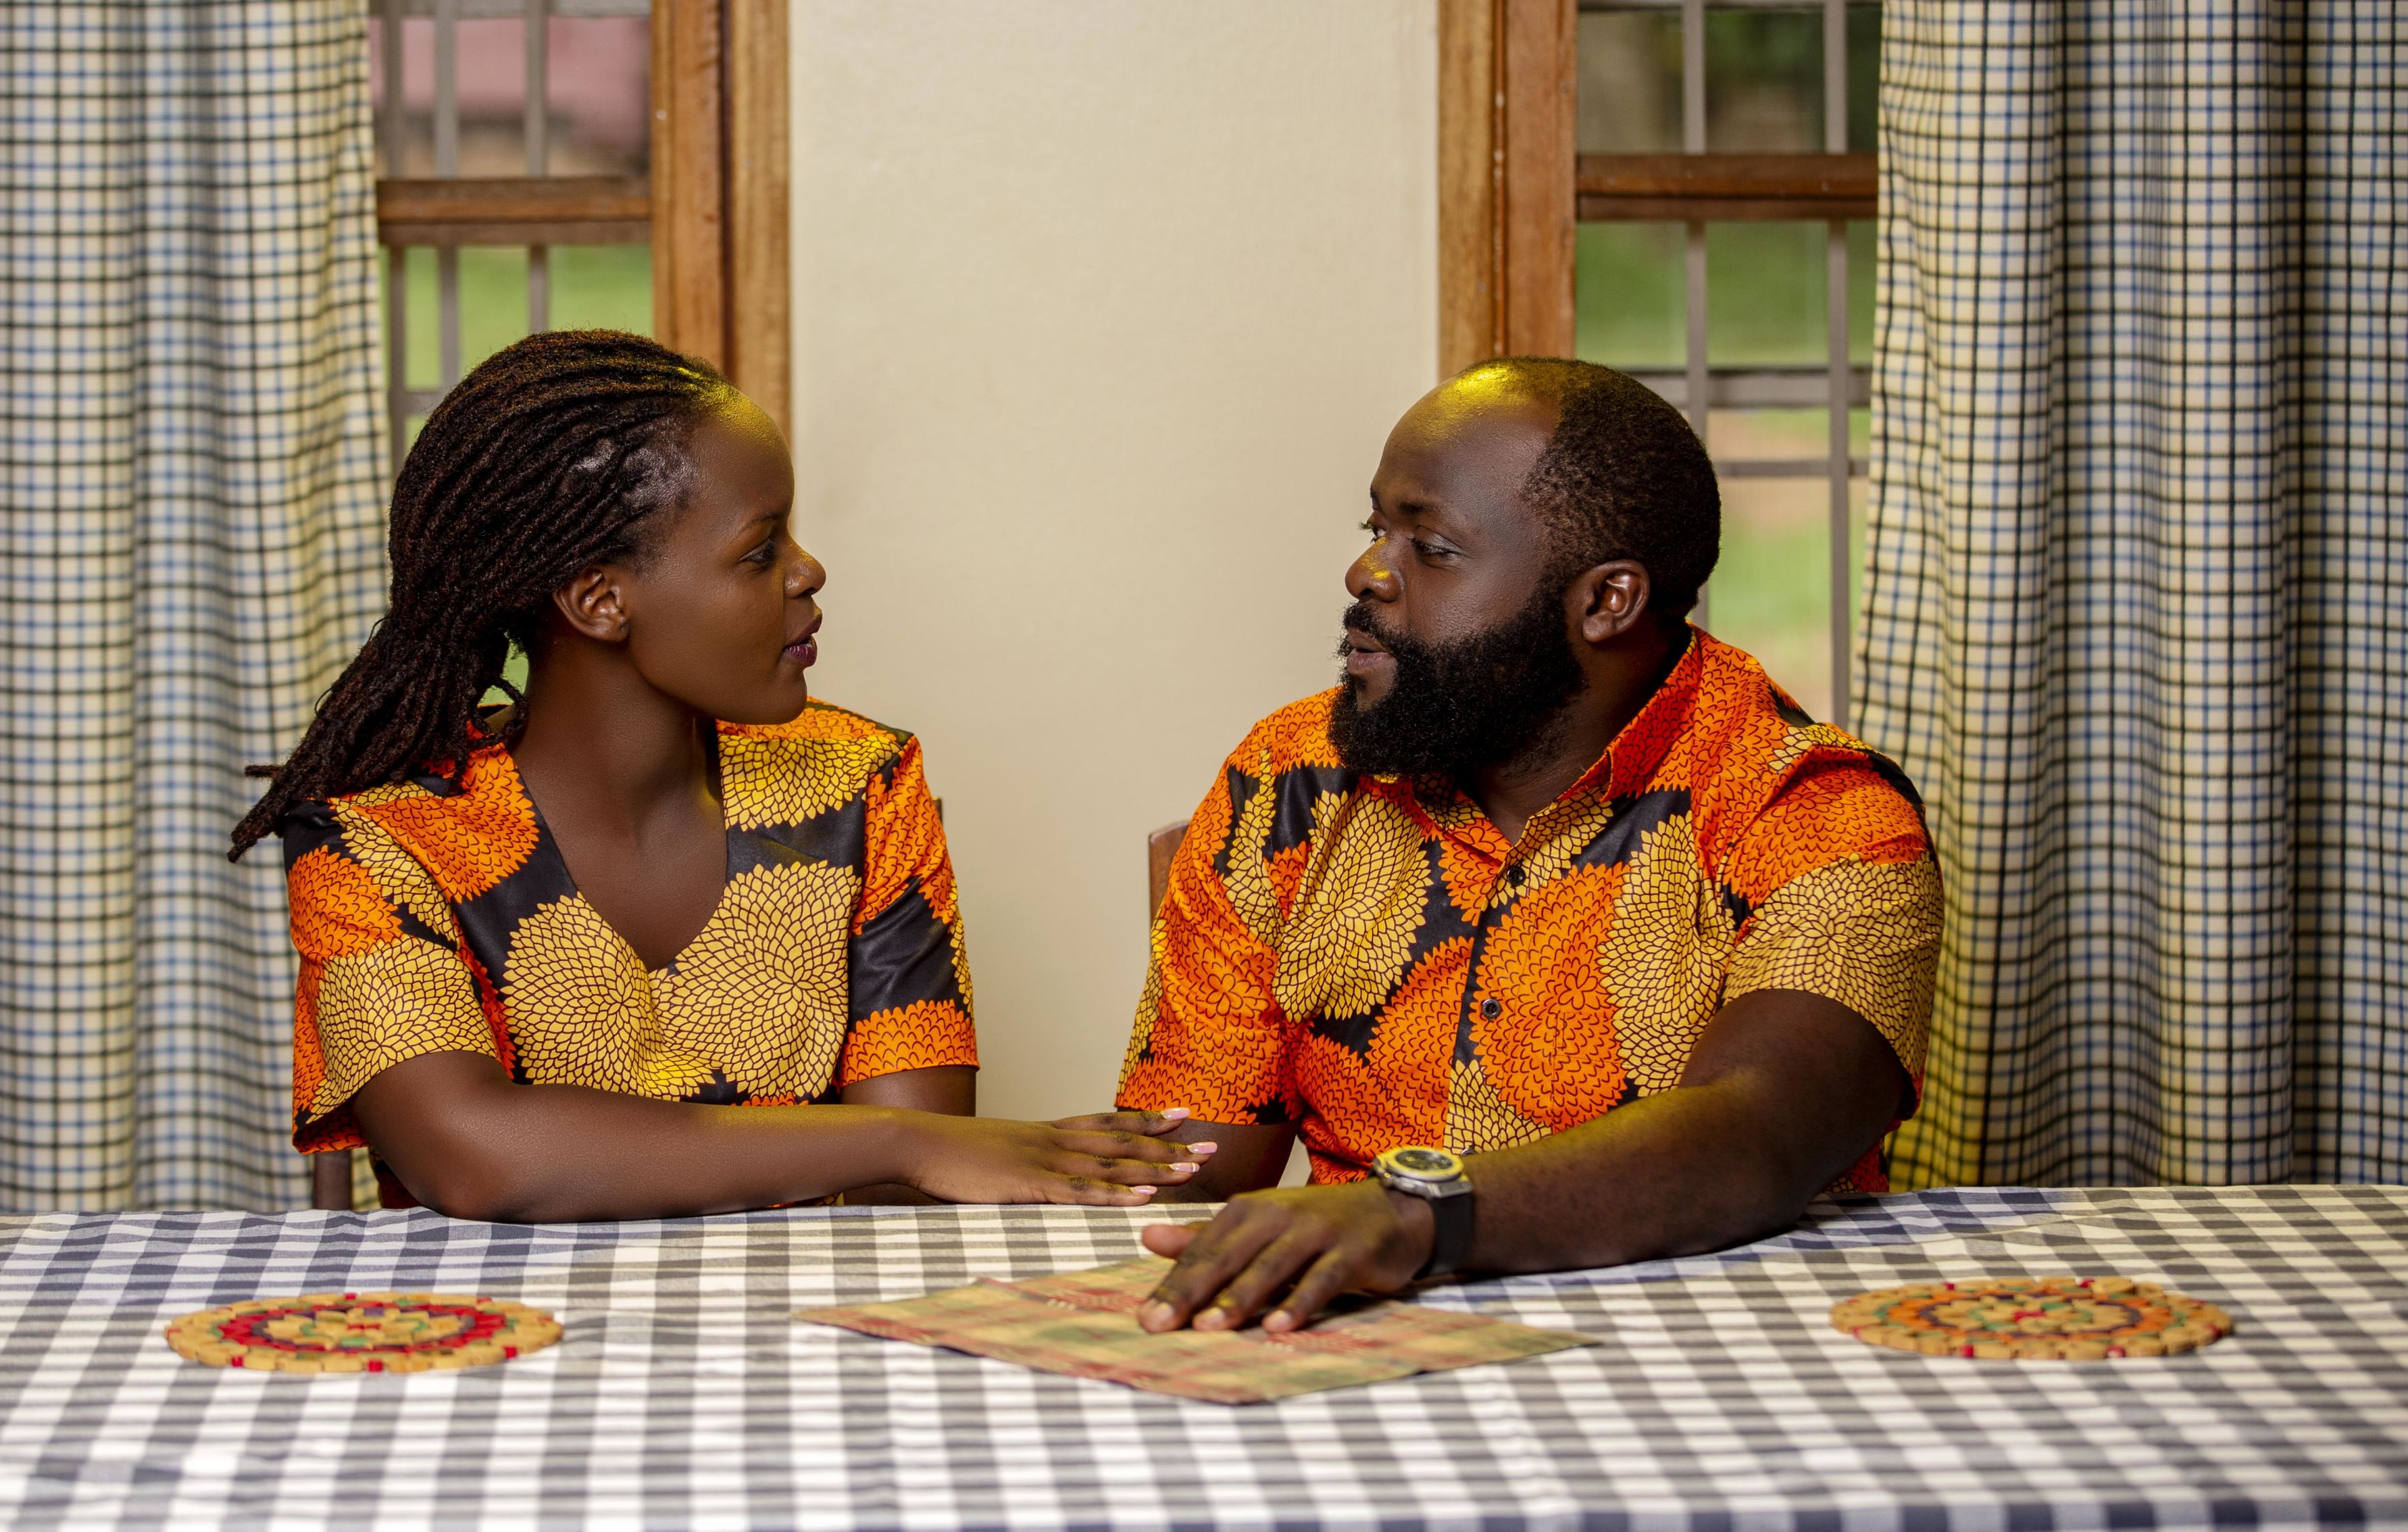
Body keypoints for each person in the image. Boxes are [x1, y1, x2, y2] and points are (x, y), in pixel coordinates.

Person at [232, 330, 1209, 1218]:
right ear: (600, 600)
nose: (808, 570)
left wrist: (908, 1150)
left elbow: (902, 1197)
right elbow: (474, 1158)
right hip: (499, 1342)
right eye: (759, 550)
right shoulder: (375, 836)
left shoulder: (862, 784)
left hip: (800, 1330)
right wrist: (899, 1142)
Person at [1110, 357, 1942, 1333]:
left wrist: (1412, 1217)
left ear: (1607, 600)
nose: (1367, 573)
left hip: (1713, 1343)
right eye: (1376, 530)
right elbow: (1189, 1166)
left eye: (1431, 547)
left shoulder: (1815, 809)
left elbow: (1757, 1133)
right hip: (1356, 1338)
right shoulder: (1292, 779)